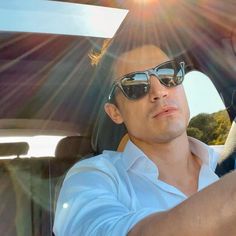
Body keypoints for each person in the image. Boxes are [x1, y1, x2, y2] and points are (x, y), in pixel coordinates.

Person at [53, 28, 236, 235]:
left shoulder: (226, 159)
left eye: (168, 73)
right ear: (115, 113)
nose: (159, 91)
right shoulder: (93, 177)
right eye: (135, 84)